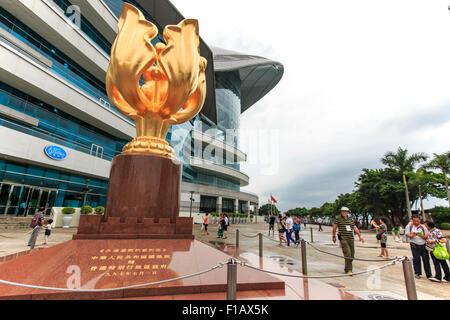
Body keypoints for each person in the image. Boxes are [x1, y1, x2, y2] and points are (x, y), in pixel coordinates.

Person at [332, 207, 365, 274]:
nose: (344, 212)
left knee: (352, 255)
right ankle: (349, 269)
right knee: (347, 253)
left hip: (351, 238)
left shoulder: (350, 219)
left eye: (346, 211)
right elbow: (334, 228)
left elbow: (354, 227)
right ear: (341, 211)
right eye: (343, 211)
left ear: (348, 212)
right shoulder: (338, 218)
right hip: (343, 238)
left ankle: (347, 268)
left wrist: (360, 235)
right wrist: (333, 236)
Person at [405, 215, 432, 279]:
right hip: (414, 244)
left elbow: (427, 235)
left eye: (417, 221)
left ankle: (429, 274)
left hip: (423, 244)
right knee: (416, 259)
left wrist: (422, 236)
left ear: (419, 220)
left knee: (426, 260)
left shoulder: (423, 227)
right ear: (412, 220)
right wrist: (412, 235)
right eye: (415, 221)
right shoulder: (409, 226)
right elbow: (407, 234)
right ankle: (417, 273)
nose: (416, 222)